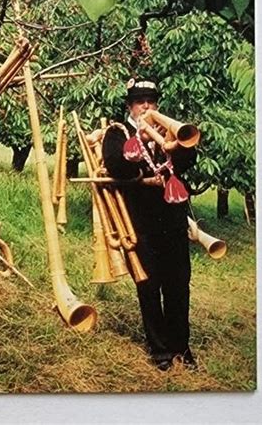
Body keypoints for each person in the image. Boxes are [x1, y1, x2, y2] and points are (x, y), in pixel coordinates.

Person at [102, 78, 197, 371]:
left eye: (151, 100)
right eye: (140, 101)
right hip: (140, 221)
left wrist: (171, 138)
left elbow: (187, 160)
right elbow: (117, 165)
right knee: (149, 285)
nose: (147, 106)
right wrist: (142, 137)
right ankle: (160, 350)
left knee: (179, 284)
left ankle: (181, 346)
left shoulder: (167, 130)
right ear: (130, 106)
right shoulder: (117, 133)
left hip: (173, 218)